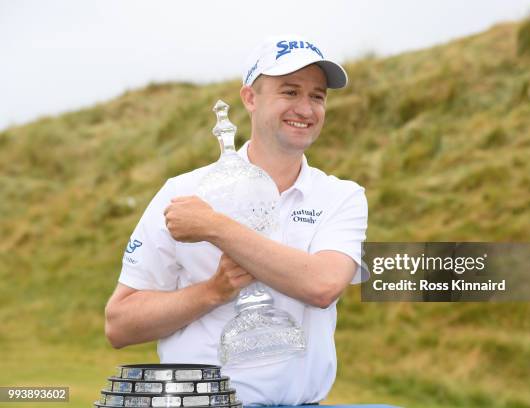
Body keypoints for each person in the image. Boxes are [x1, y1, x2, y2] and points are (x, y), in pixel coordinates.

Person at [104, 35, 368, 406]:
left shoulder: (341, 196)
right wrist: (212, 291)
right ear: (250, 98)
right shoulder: (182, 192)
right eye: (290, 92)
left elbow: (323, 285)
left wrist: (215, 227)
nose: (305, 109)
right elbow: (119, 324)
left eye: (317, 96)